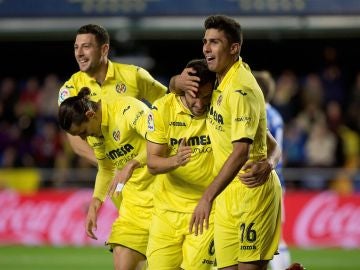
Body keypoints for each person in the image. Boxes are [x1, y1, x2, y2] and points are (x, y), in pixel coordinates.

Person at [173, 15, 282, 270]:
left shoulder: (241, 89)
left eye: (215, 43)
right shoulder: (220, 80)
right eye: (205, 42)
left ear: (234, 48)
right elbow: (270, 141)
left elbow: (242, 151)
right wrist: (271, 160)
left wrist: (206, 197)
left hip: (251, 192)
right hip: (226, 196)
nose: (206, 49)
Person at [58, 87, 157, 270]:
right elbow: (106, 168)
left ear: (90, 114)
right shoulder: (96, 135)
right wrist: (95, 204)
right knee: (122, 260)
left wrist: (132, 163)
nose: (84, 139)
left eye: (83, 132)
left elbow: (160, 140)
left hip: (165, 200)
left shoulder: (128, 110)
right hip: (134, 207)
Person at [58, 24, 167, 166]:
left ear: (104, 49)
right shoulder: (69, 88)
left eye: (86, 46)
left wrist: (150, 154)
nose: (79, 53)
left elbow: (167, 108)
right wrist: (109, 166)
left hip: (145, 166)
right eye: (76, 47)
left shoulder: (134, 75)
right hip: (111, 170)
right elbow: (76, 138)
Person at [145, 59, 217, 269]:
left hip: (206, 211)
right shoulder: (162, 109)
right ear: (183, 90)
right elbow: (153, 163)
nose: (201, 104)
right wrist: (176, 160)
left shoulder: (222, 106)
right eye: (195, 96)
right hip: (166, 213)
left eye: (206, 96)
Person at [253, 70, 291, 270]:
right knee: (275, 234)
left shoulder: (259, 113)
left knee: (268, 236)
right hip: (277, 178)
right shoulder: (275, 114)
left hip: (263, 178)